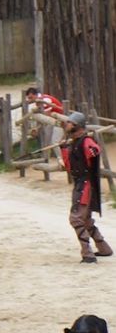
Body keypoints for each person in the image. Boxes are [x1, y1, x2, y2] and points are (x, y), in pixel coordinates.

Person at [61, 111, 113, 264]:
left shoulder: (85, 141)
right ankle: (104, 248)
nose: (67, 125)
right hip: (79, 184)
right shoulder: (75, 143)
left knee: (76, 219)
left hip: (86, 185)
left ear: (76, 125)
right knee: (85, 219)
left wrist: (91, 146)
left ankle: (87, 254)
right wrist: (64, 149)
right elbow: (70, 168)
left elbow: (95, 150)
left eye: (69, 123)